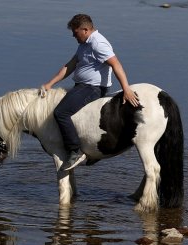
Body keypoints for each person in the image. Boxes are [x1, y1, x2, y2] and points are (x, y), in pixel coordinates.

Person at [40, 14, 141, 172]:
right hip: (81, 86)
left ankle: (75, 151)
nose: (74, 36)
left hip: (92, 88)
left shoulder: (97, 43)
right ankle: (92, 151)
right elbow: (70, 66)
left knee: (61, 113)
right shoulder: (84, 44)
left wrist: (126, 88)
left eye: (75, 32)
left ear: (85, 30)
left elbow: (116, 64)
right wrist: (49, 84)